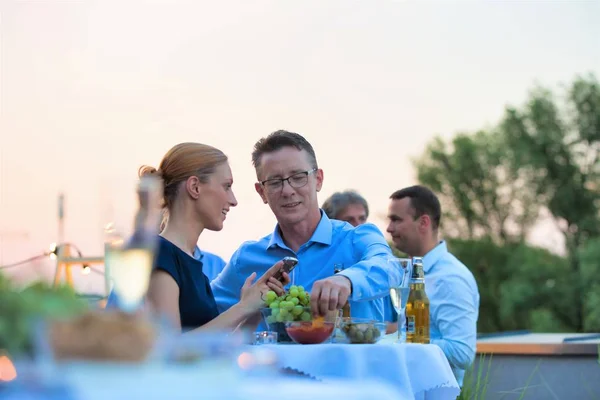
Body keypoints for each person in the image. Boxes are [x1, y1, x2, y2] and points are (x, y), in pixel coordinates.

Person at [211, 130, 399, 325]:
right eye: (275, 182)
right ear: (262, 192)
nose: (288, 190)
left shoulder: (357, 238)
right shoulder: (246, 259)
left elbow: (392, 268)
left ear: (318, 179)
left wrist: (347, 280)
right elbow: (199, 314)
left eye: (298, 177)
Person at [113, 142, 289, 333]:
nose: (233, 200)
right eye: (226, 186)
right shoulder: (161, 254)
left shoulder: (190, 263)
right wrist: (242, 307)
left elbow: (214, 348)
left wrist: (254, 308)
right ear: (195, 187)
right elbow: (169, 349)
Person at [386, 185, 479, 386]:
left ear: (424, 222)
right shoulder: (410, 271)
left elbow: (462, 352)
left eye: (396, 219)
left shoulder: (450, 278)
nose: (389, 228)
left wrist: (405, 340)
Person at [321, 190, 398, 330]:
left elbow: (398, 323)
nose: (358, 225)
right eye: (349, 220)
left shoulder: (377, 269)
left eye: (362, 218)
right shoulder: (325, 264)